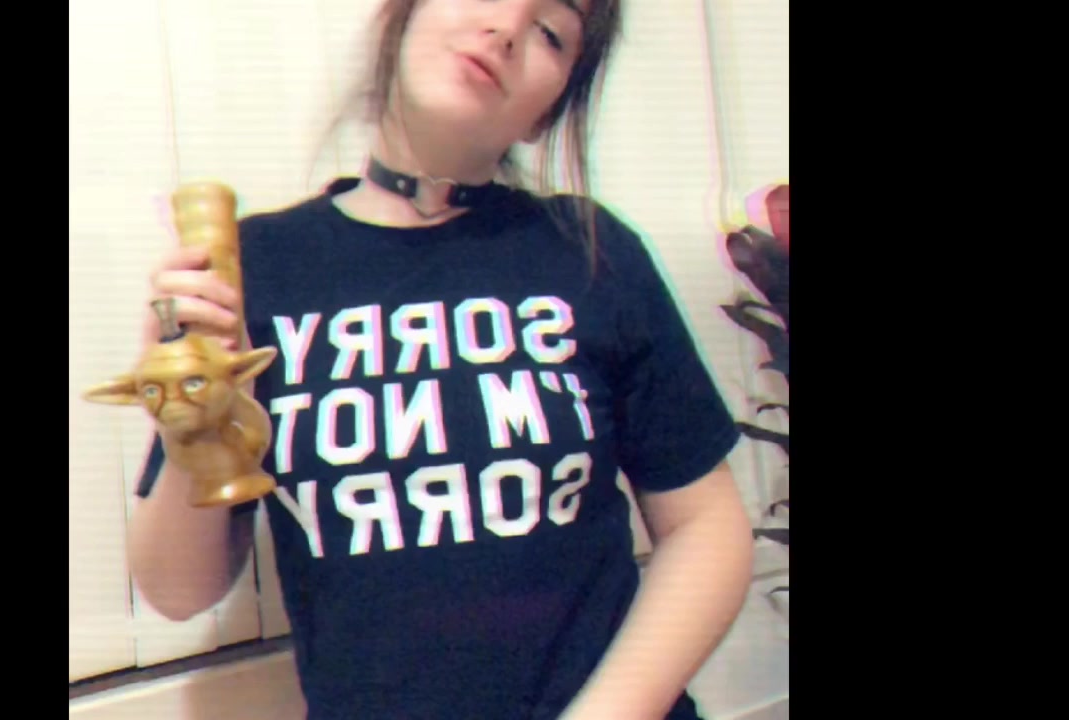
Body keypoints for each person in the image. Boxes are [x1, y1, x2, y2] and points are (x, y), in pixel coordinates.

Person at [124, 1, 755, 718]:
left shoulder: (588, 252)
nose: (507, 28)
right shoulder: (255, 268)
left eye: (551, 33)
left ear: (547, 112)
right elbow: (179, 591)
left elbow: (706, 527)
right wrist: (190, 414)